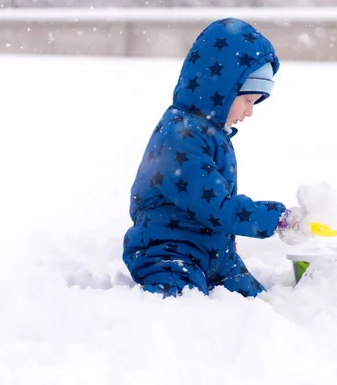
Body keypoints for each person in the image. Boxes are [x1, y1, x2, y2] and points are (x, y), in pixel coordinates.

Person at [122, 17, 311, 298]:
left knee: (259, 301)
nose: (250, 112)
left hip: (215, 255)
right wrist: (276, 218)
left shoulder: (212, 133)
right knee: (178, 304)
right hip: (169, 253)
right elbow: (216, 206)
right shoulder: (180, 136)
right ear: (221, 89)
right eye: (248, 100)